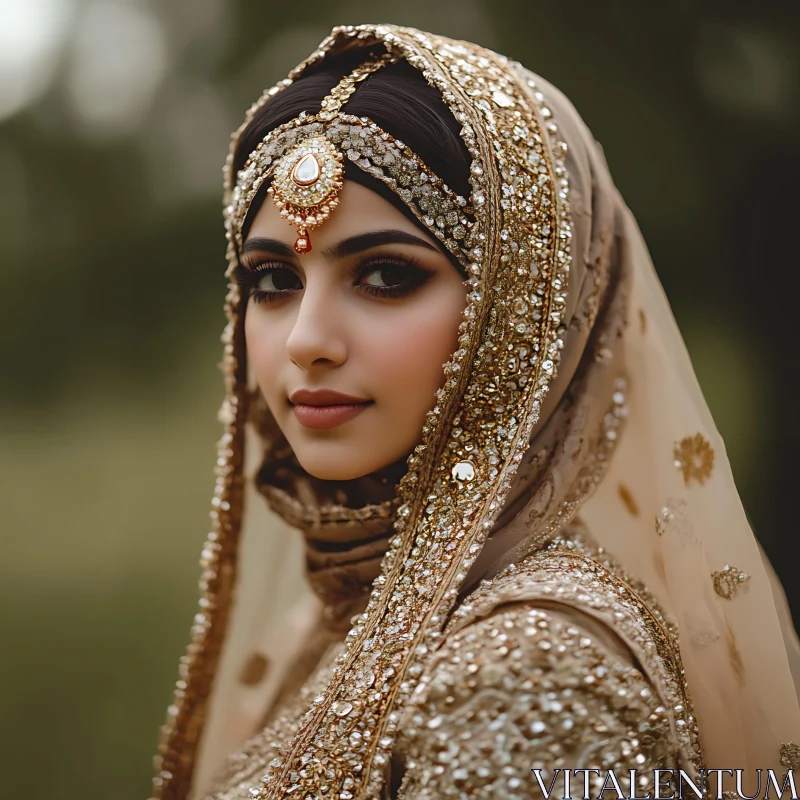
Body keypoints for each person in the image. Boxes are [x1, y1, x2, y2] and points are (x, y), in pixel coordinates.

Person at [148, 24, 800, 800]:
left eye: (385, 276)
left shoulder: (525, 679)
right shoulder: (349, 614)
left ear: (521, 310)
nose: (306, 341)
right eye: (271, 280)